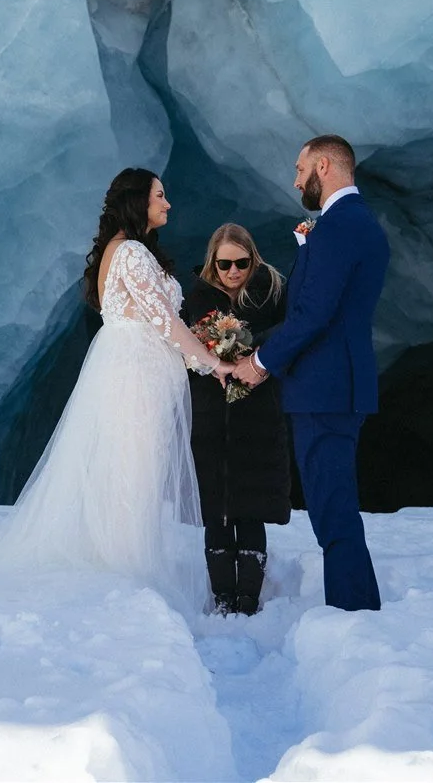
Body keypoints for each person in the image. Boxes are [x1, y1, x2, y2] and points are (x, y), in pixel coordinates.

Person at [0, 168, 230, 610]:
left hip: (132, 365)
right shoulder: (132, 252)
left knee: (130, 464)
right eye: (160, 195)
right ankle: (125, 568)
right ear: (138, 201)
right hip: (136, 370)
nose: (168, 203)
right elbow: (163, 320)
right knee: (134, 466)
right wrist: (211, 361)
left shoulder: (122, 251)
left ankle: (122, 561)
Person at [231, 135, 388, 612]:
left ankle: (352, 616)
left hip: (325, 391)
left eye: (300, 170)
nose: (296, 180)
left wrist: (259, 363)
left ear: (324, 166)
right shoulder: (355, 225)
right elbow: (322, 311)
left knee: (332, 510)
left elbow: (314, 314)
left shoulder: (340, 227)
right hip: (337, 387)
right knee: (333, 507)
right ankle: (360, 609)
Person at [181, 225, 291, 615]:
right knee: (216, 507)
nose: (233, 272)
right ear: (213, 262)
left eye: (241, 263)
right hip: (210, 413)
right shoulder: (196, 297)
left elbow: (292, 330)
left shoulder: (271, 291)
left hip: (257, 411)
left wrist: (253, 347)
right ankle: (222, 597)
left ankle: (248, 599)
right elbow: (182, 346)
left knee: (251, 505)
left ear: (252, 259)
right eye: (224, 264)